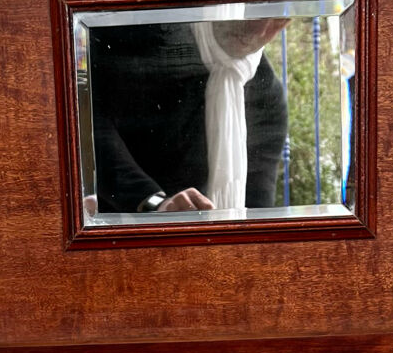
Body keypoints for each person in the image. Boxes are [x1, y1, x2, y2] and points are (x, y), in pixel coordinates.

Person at [88, 15, 287, 214]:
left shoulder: (268, 95)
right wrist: (155, 204)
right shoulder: (144, 33)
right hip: (113, 220)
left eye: (279, 21)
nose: (260, 30)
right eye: (254, 12)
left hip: (195, 228)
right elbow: (87, 121)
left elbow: (256, 204)